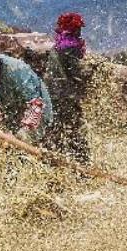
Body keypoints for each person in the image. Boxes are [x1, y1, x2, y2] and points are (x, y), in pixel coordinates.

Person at [0, 37, 53, 143]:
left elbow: (36, 105)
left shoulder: (16, 70)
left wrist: (21, 135)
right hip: (12, 109)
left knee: (27, 143)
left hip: (37, 110)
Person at [43, 12, 91, 163]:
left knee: (55, 127)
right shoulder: (71, 47)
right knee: (74, 129)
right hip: (66, 95)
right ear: (74, 29)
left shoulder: (58, 44)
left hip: (51, 93)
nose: (80, 31)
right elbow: (77, 73)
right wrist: (91, 69)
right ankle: (82, 163)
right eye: (78, 29)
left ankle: (56, 159)